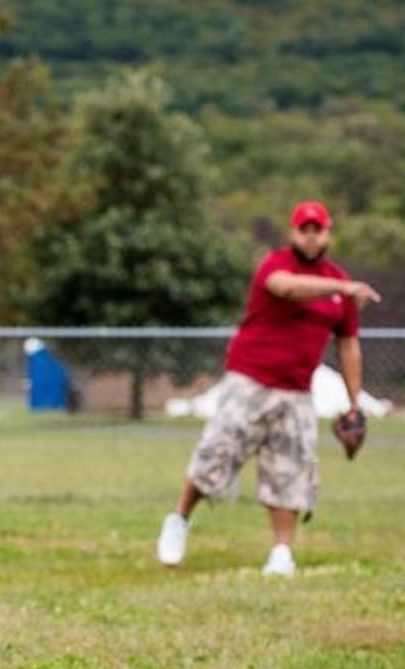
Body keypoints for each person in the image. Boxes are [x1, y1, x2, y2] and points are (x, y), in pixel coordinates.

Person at [156, 200, 380, 576]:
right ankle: (179, 519)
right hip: (250, 380)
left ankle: (281, 552)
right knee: (215, 455)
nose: (310, 237)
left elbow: (348, 345)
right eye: (304, 229)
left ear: (328, 233)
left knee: (290, 471)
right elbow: (286, 288)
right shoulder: (278, 266)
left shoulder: (342, 290)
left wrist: (354, 402)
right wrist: (341, 286)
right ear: (293, 233)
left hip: (297, 391)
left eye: (318, 229)